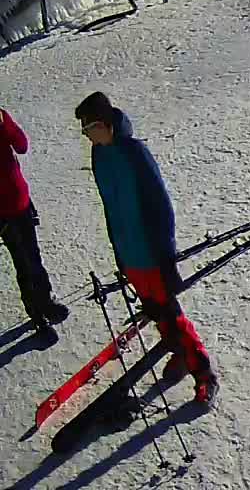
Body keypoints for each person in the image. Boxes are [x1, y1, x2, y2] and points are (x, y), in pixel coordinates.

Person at [76, 92, 216, 405]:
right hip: (130, 254)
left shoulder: (134, 153)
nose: (89, 136)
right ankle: (179, 354)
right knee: (155, 312)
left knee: (171, 313)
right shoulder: (99, 156)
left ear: (107, 123)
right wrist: (119, 254)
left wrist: (165, 256)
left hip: (152, 253)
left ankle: (204, 375)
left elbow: (161, 206)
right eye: (85, 131)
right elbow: (110, 208)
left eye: (91, 128)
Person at [0, 107, 68, 338]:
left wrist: (4, 123)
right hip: (3, 214)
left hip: (21, 201)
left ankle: (46, 301)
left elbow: (21, 145)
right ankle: (36, 315)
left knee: (34, 258)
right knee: (24, 264)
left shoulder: (1, 116)